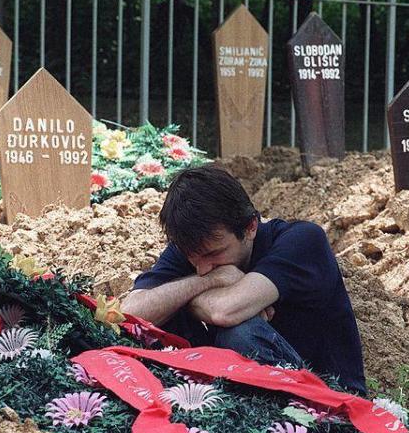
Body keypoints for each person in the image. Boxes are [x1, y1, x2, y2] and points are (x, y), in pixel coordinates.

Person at [121, 165, 367, 395]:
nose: (203, 267)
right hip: (234, 394)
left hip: (329, 398)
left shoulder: (303, 241)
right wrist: (214, 280)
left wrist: (186, 299)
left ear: (250, 227)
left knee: (239, 332)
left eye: (214, 254)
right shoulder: (198, 247)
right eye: (192, 258)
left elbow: (224, 313)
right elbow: (130, 313)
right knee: (161, 320)